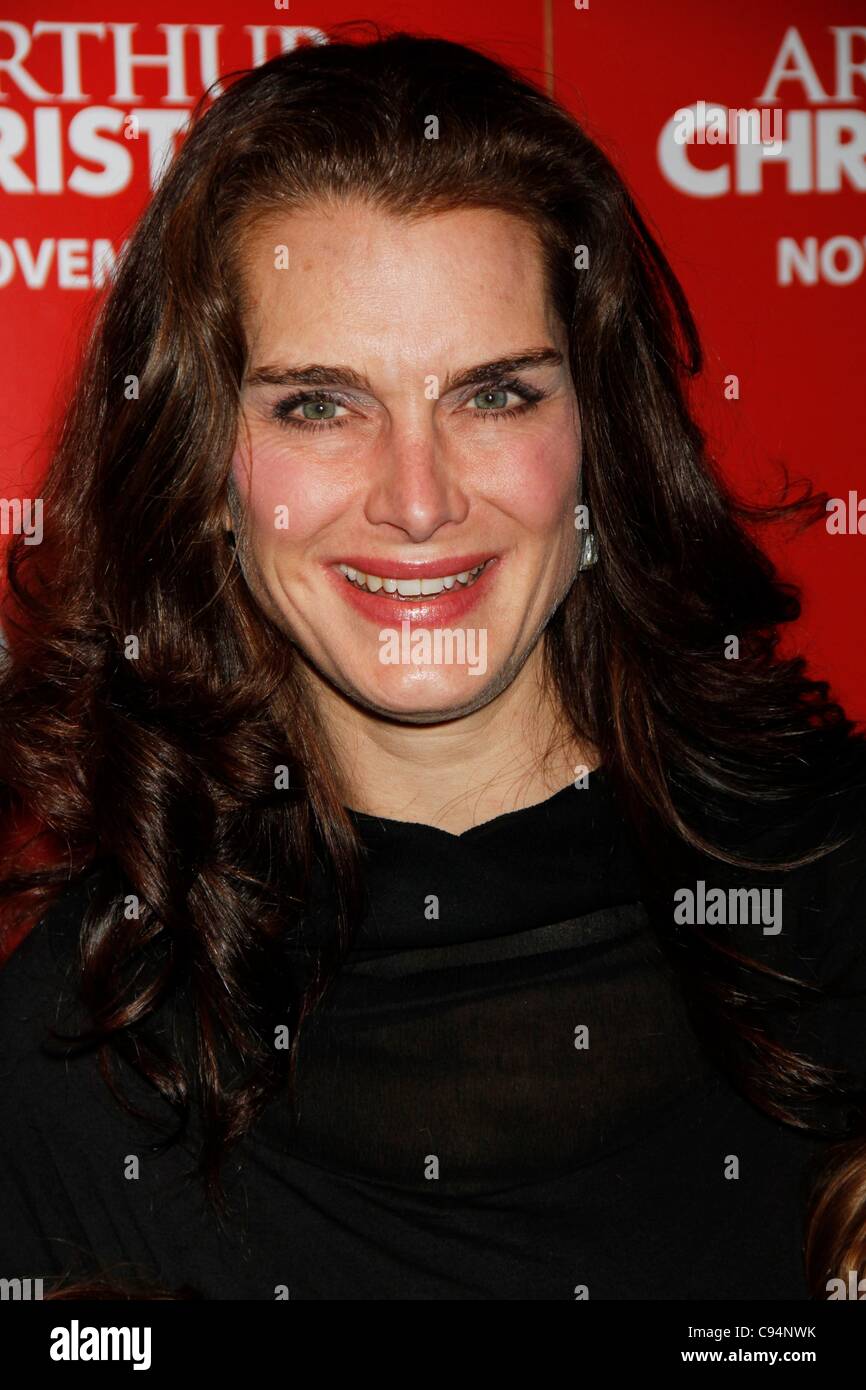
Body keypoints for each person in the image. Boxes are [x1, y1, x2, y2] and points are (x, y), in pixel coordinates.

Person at [0, 28, 864, 1302]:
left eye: (493, 394)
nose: (417, 501)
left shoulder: (835, 897)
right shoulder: (77, 1056)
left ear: (601, 436)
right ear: (203, 467)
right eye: (317, 404)